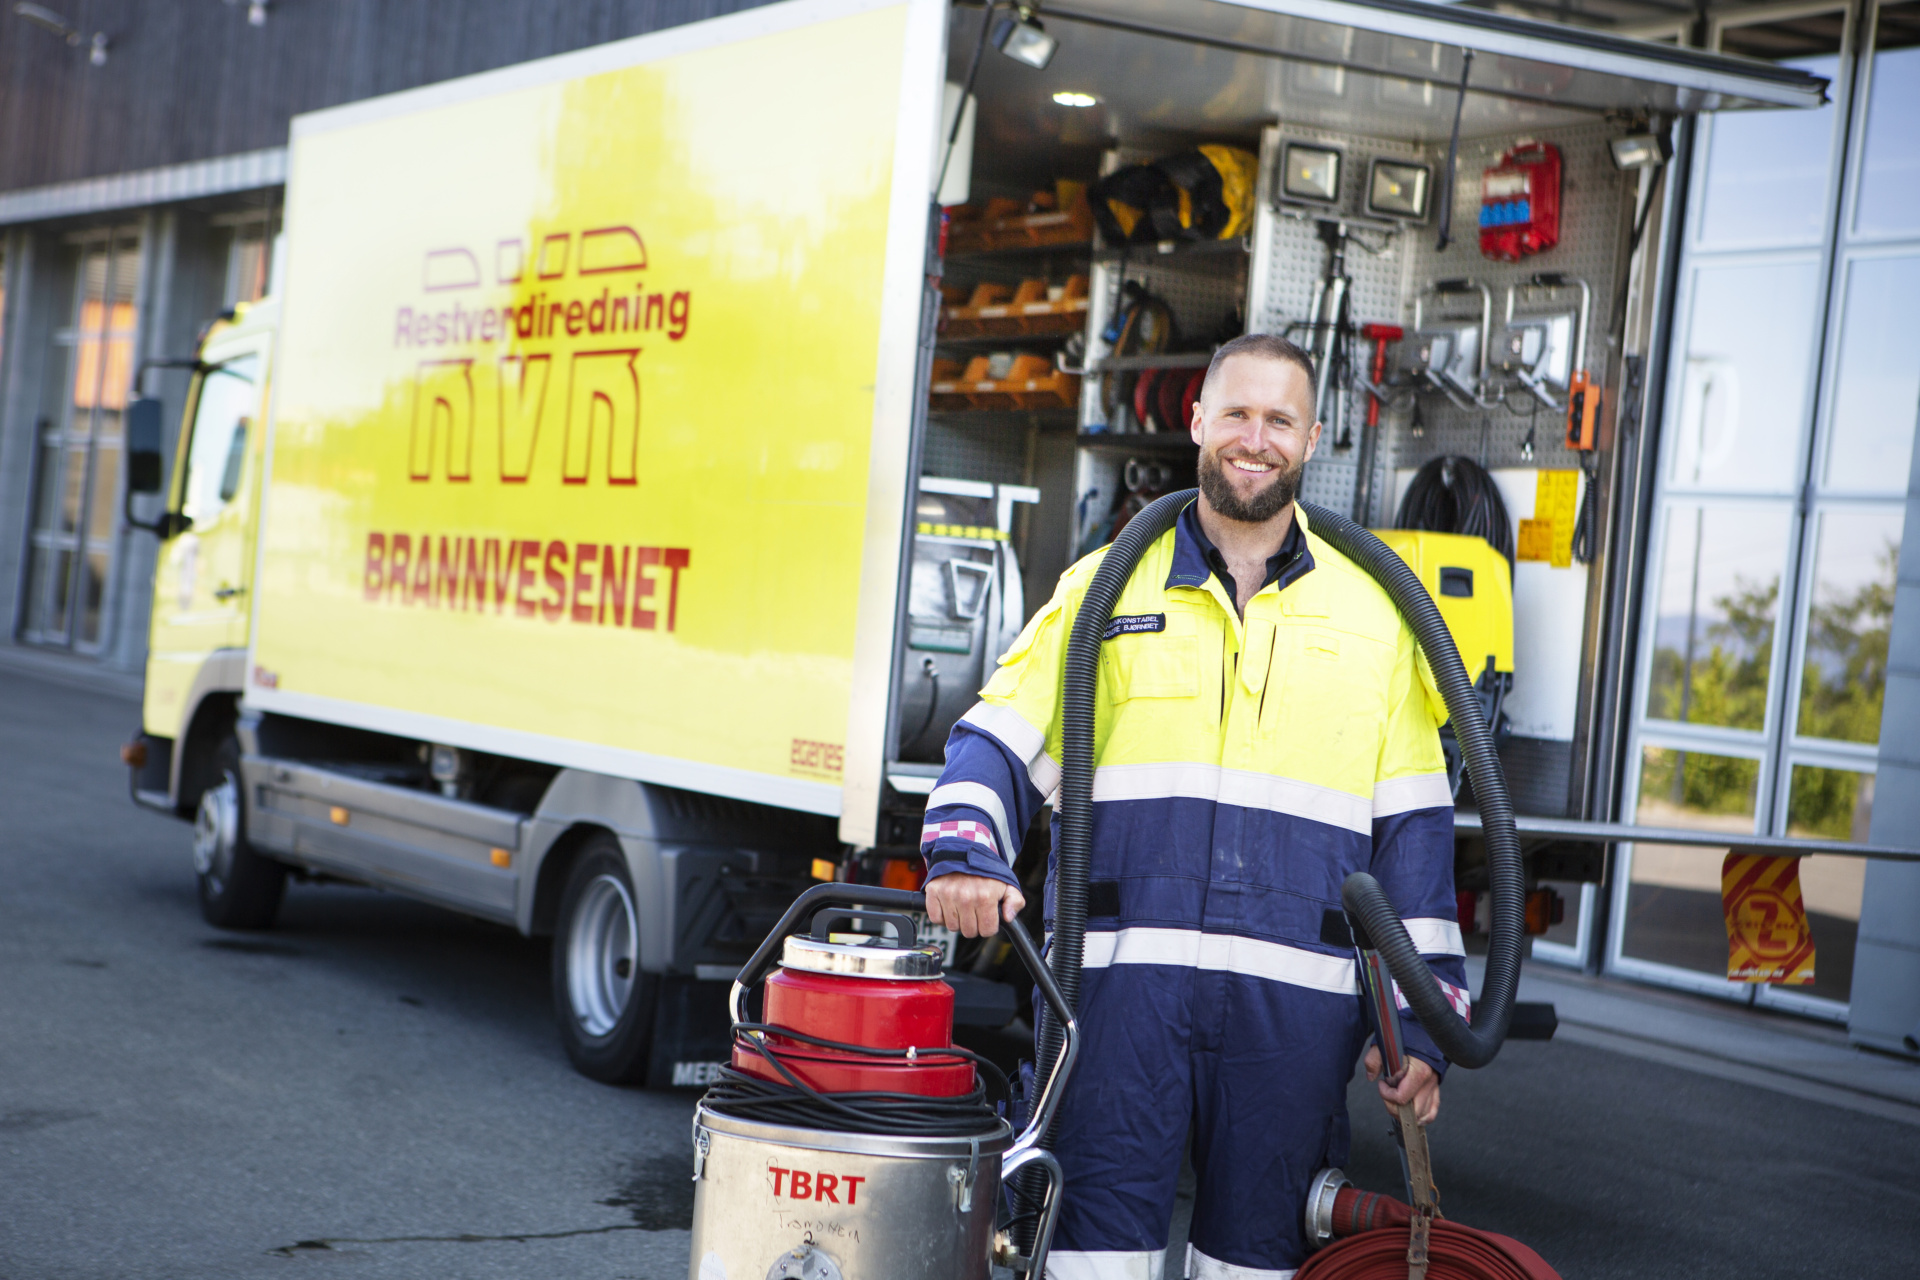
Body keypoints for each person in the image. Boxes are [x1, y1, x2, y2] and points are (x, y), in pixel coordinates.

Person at [918, 334, 1469, 1280]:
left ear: (1312, 439)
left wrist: (1420, 1027)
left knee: (1255, 1269)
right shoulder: (1103, 590)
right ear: (1197, 421)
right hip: (1118, 1002)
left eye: (1280, 420)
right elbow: (996, 739)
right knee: (1091, 1260)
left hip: (1293, 1018)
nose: (1256, 438)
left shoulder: (1376, 618)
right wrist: (966, 852)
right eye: (1239, 414)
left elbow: (1414, 836)